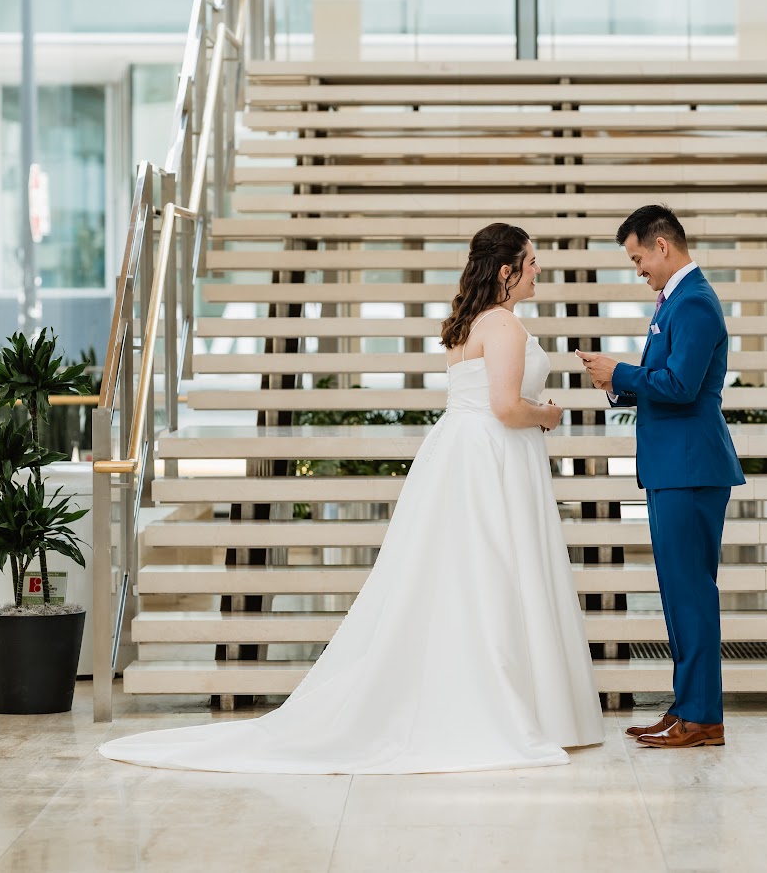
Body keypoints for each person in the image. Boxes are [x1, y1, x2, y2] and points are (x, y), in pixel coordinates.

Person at [99, 223, 603, 774]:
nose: (537, 271)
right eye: (531, 262)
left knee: (468, 578)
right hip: (492, 457)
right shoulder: (503, 323)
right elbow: (505, 407)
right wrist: (548, 414)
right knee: (495, 575)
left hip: (465, 452)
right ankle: (506, 707)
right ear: (507, 271)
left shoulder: (470, 323)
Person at [577, 205, 744, 749]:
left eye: (637, 258)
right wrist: (616, 384)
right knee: (677, 595)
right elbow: (666, 381)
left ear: (662, 246)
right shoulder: (677, 301)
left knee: (691, 595)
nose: (638, 270)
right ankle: (686, 708)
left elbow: (681, 386)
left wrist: (621, 372)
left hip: (689, 467)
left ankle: (703, 717)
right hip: (674, 467)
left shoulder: (693, 302)